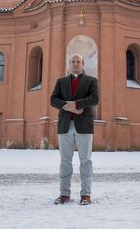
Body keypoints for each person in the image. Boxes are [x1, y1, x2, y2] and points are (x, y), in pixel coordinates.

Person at [50, 54, 99, 205]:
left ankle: (86, 194)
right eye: (73, 61)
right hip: (65, 125)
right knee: (65, 161)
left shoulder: (91, 81)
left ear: (83, 64)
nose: (76, 64)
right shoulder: (61, 81)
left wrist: (76, 105)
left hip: (84, 125)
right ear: (70, 64)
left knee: (85, 161)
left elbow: (94, 99)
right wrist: (69, 106)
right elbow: (53, 99)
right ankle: (64, 194)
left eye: (78, 61)